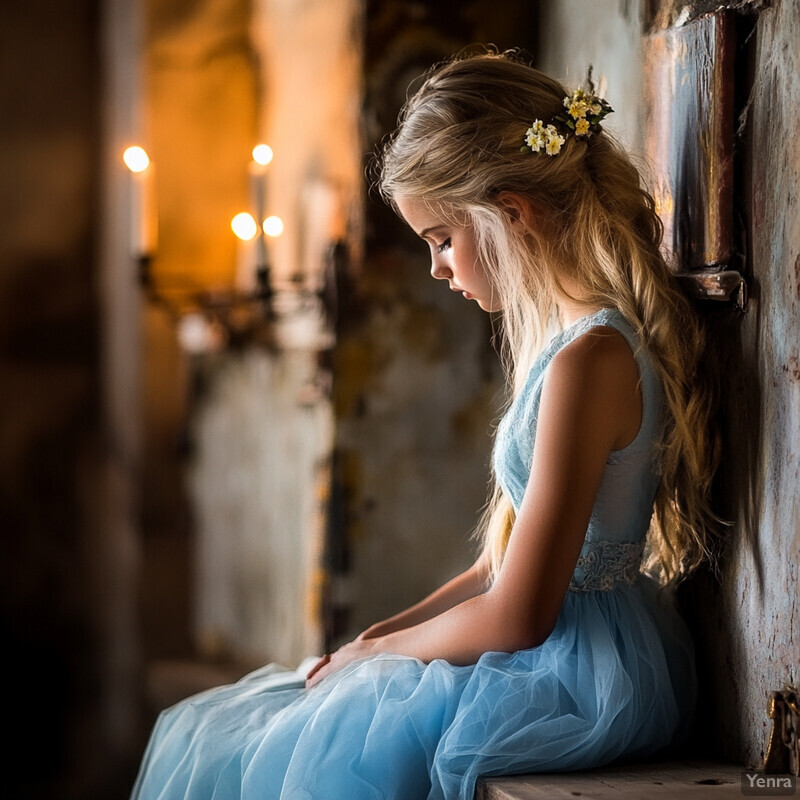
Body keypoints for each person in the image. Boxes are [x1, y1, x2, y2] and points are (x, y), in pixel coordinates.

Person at [131, 50, 721, 800]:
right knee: (239, 716)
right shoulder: (567, 348)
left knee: (274, 738)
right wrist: (372, 643)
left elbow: (519, 614)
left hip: (578, 673)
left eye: (442, 239)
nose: (438, 270)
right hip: (557, 648)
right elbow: (491, 571)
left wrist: (379, 665)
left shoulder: (593, 360)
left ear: (512, 212)